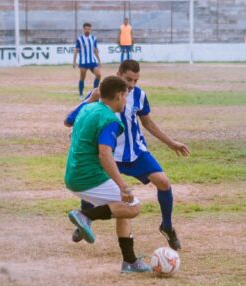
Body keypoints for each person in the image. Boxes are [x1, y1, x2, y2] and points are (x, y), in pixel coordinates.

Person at [65, 59, 189, 250]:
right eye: (128, 80)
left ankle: (167, 226)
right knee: (97, 190)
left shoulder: (139, 95)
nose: (131, 85)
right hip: (108, 155)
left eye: (135, 81)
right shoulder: (102, 93)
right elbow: (72, 119)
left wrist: (171, 143)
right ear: (118, 75)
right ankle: (85, 218)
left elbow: (148, 123)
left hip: (135, 153)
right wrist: (91, 98)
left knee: (163, 182)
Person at [65, 75, 152, 273]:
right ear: (120, 95)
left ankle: (129, 261)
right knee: (133, 207)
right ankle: (85, 215)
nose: (127, 99)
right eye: (126, 95)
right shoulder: (110, 119)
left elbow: (68, 122)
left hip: (73, 174)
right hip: (88, 177)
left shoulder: (88, 108)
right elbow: (105, 154)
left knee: (121, 207)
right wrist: (123, 185)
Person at [74, 22, 102, 98]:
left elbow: (95, 50)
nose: (87, 30)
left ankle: (94, 92)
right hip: (83, 62)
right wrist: (74, 61)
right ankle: (81, 94)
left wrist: (99, 60)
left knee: (99, 75)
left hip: (92, 61)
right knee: (82, 78)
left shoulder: (93, 38)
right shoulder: (80, 39)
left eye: (89, 29)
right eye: (86, 29)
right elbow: (76, 50)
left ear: (91, 29)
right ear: (83, 29)